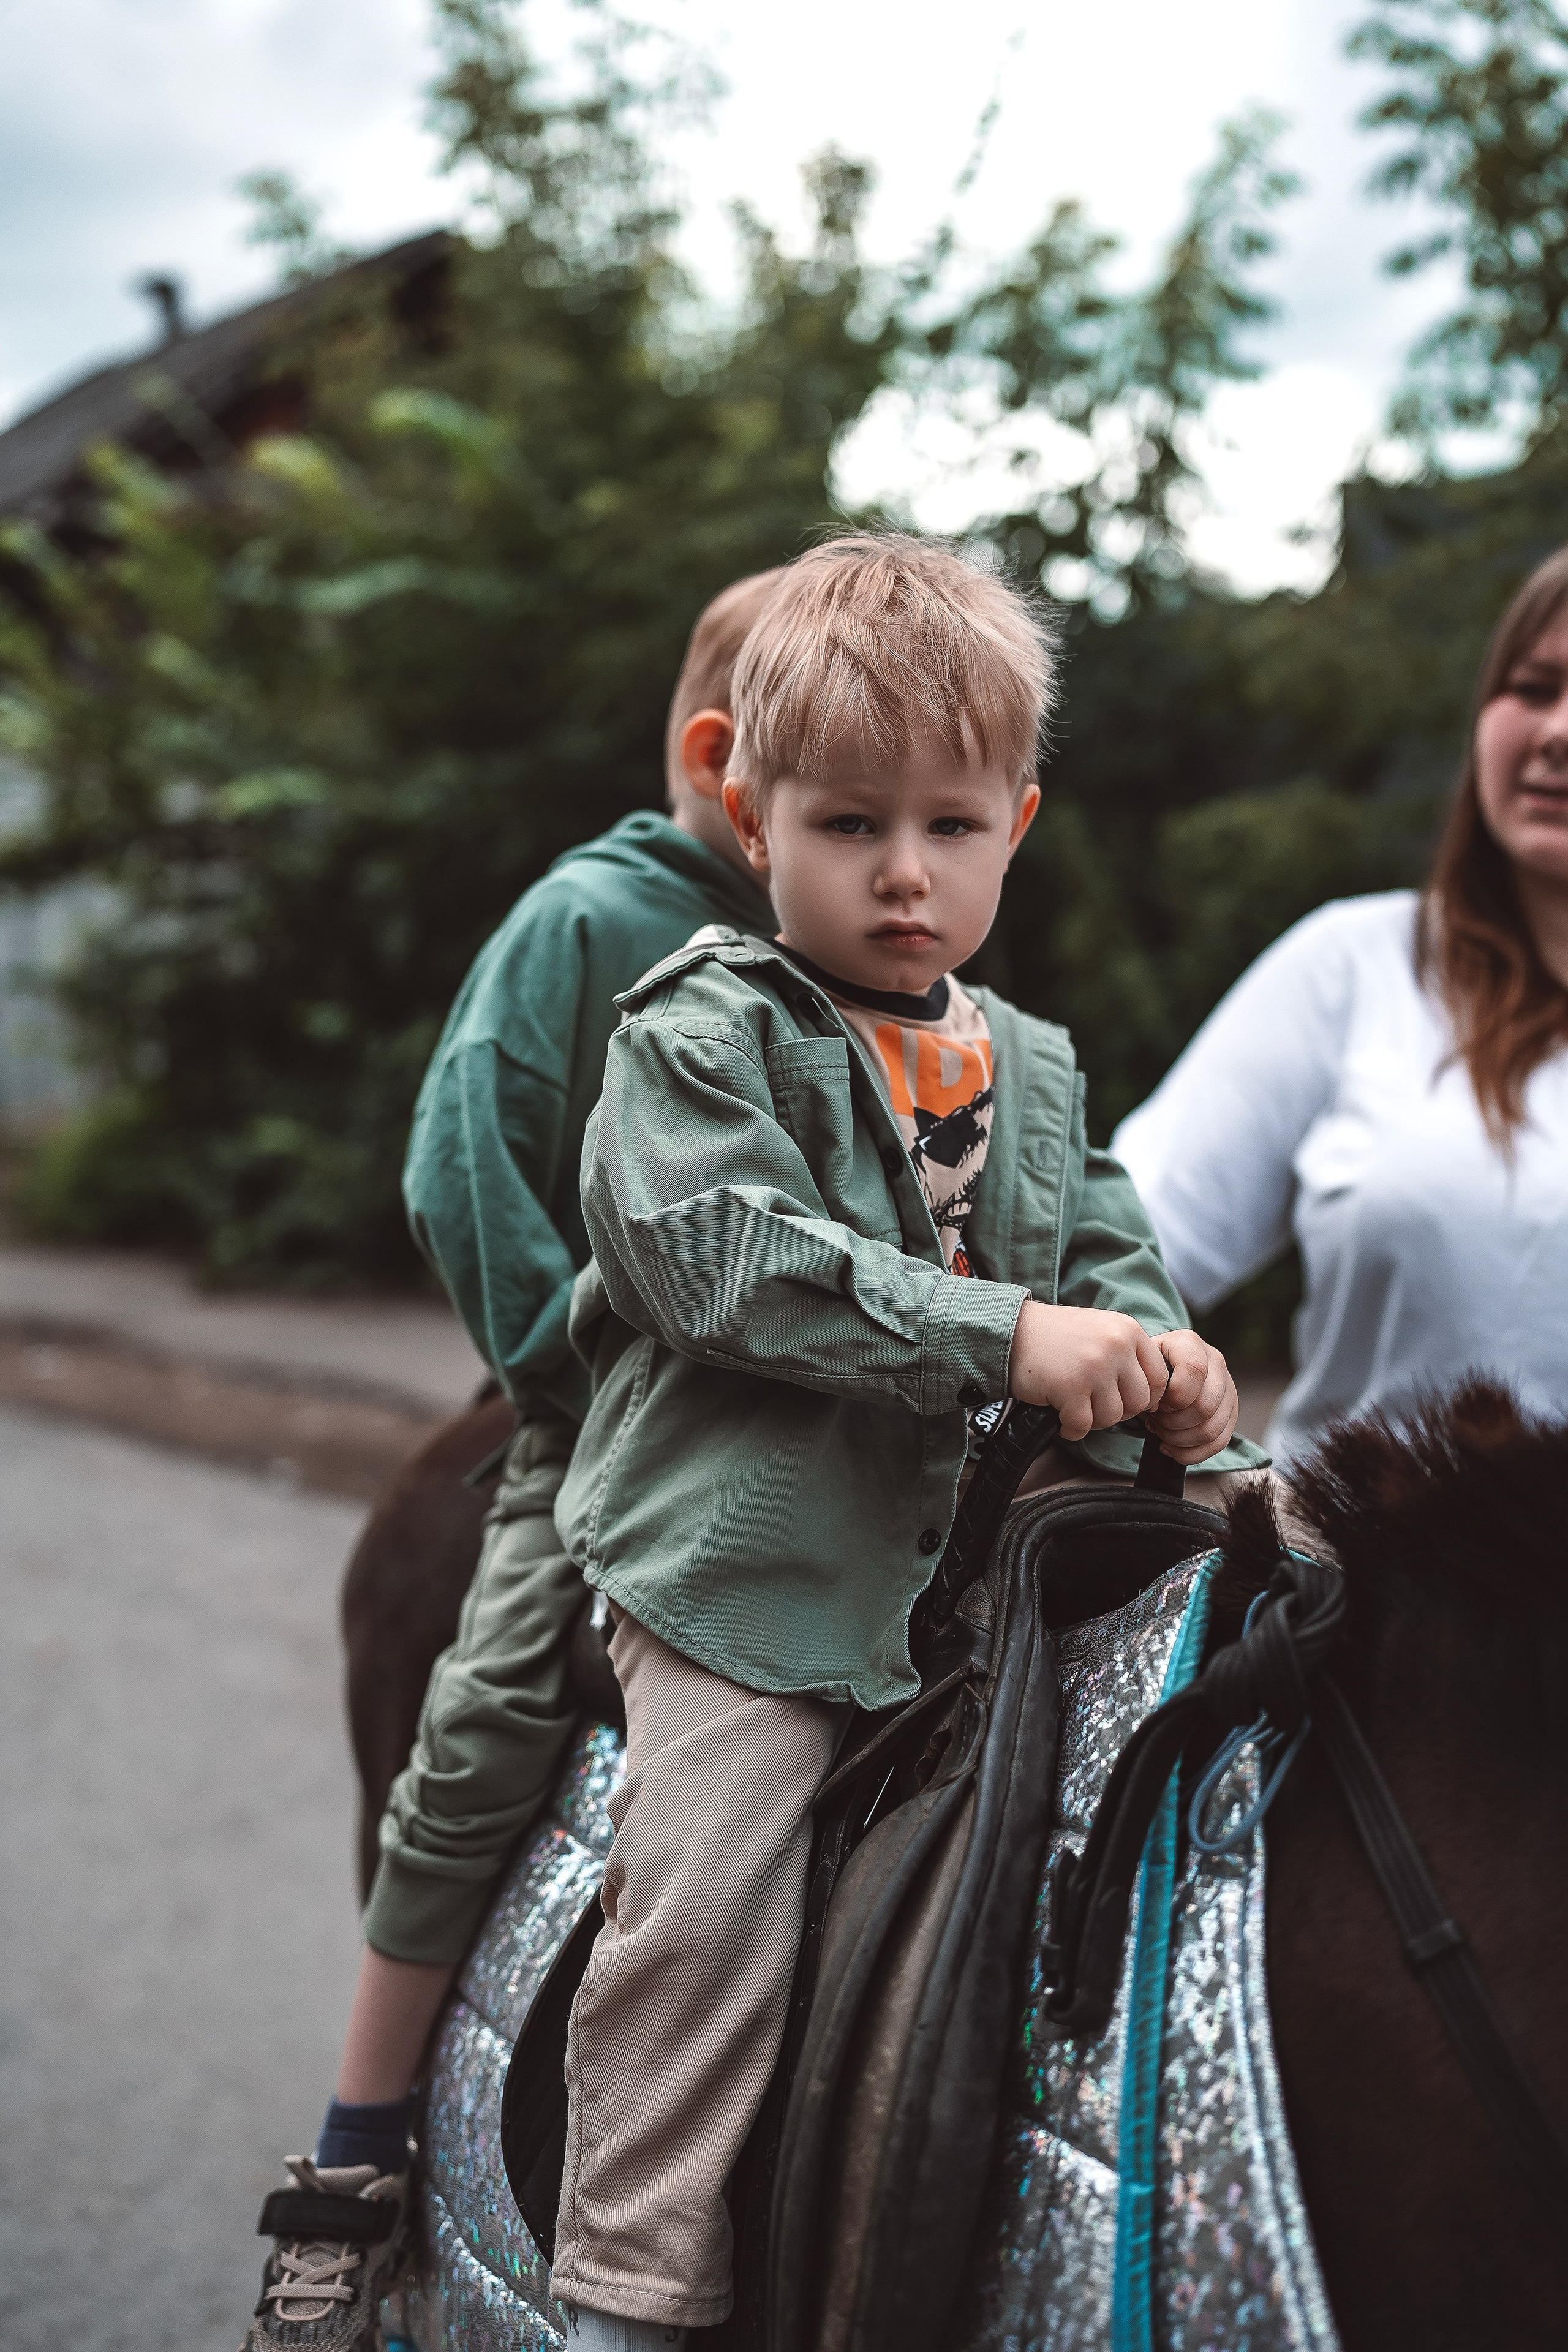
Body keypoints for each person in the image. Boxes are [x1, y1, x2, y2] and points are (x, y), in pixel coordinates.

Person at [547, 533, 1261, 2349]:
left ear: (1018, 822)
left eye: (950, 825)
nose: (903, 874)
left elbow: (1102, 1248)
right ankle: (628, 2286)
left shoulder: (1031, 1062)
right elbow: (730, 1263)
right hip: (751, 1571)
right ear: (743, 798)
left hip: (974, 1555)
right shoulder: (698, 1033)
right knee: (707, 1888)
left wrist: (1166, 1358)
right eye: (850, 823)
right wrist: (1010, 1336)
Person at [242, 570, 783, 2352]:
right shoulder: (596, 918)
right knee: (479, 1721)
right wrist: (565, 1358)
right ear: (723, 761)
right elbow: (463, 1156)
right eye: (835, 789)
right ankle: (359, 2145)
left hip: (799, 1427)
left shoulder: (838, 939)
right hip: (600, 1410)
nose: (885, 845)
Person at [1112, 545, 1568, 1466]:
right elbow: (1112, 1250)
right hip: (1357, 1591)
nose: (1558, 730)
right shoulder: (1357, 965)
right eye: (1534, 685)